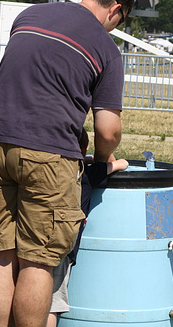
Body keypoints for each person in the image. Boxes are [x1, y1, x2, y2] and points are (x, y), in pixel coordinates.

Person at [0, 0, 134, 327]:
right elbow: (108, 130)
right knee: (38, 260)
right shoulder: (106, 49)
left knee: (0, 253)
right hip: (48, 155)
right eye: (120, 21)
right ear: (116, 9)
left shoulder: (30, 14)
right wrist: (105, 159)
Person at [46, 129, 128, 327]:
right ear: (82, 149)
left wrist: (85, 157)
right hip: (62, 246)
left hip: (36, 235)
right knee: (51, 303)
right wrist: (103, 156)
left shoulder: (49, 170)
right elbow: (119, 163)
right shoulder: (88, 175)